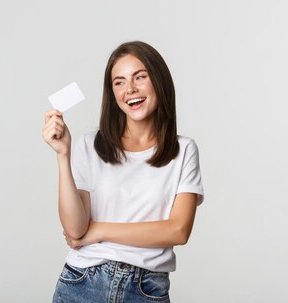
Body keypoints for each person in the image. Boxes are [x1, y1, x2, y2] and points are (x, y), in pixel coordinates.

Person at [42, 41, 204, 303]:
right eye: (119, 82)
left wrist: (98, 231)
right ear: (112, 93)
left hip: (146, 288)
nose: (130, 89)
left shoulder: (184, 150)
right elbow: (75, 229)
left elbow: (178, 230)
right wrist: (63, 155)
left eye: (140, 77)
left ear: (159, 81)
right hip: (83, 282)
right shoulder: (86, 145)